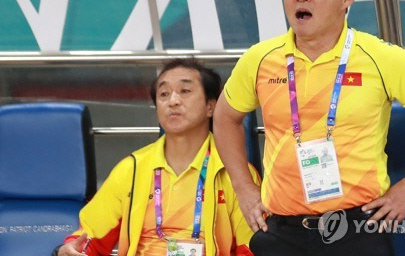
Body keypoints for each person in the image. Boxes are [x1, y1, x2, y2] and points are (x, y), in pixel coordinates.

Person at [213, 0, 405, 256]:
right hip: (281, 229)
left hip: (357, 230)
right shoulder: (259, 59)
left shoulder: (380, 56)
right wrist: (243, 187)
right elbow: (225, 118)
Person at [53, 58, 260, 256]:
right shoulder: (131, 169)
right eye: (163, 94)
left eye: (185, 91)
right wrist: (68, 250)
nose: (173, 101)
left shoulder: (237, 173)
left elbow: (252, 248)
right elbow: (88, 237)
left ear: (211, 106)